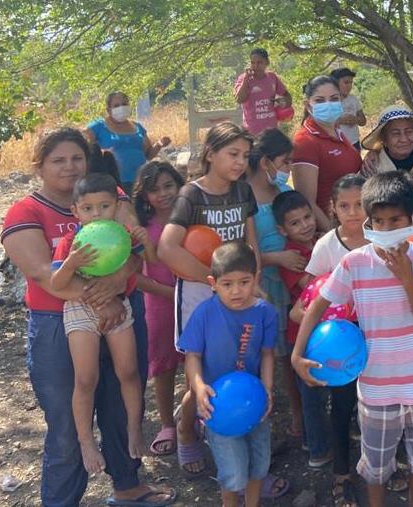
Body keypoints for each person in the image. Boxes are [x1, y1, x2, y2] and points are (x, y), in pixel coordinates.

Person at [2, 127, 175, 506]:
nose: (69, 167)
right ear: (39, 166)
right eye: (58, 160)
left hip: (121, 315)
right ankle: (62, 501)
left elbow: (132, 247)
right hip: (57, 325)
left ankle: (128, 486)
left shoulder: (108, 196)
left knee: (121, 400)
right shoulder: (25, 212)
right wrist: (105, 299)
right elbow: (44, 275)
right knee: (66, 424)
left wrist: (118, 282)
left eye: (76, 158)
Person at [292, 172, 413, 507]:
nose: (387, 228)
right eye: (378, 221)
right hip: (376, 389)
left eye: (395, 220)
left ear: (412, 219)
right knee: (376, 467)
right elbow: (317, 302)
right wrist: (296, 353)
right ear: (368, 223)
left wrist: (407, 277)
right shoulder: (355, 263)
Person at [157, 123, 268, 488]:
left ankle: (243, 445)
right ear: (210, 154)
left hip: (238, 291)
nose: (240, 162)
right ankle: (187, 430)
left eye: (245, 156)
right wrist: (213, 280)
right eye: (232, 154)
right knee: (201, 374)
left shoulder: (243, 191)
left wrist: (255, 283)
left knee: (240, 364)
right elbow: (167, 248)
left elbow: (252, 246)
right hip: (202, 295)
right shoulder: (191, 195)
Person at [48, 173, 149, 474]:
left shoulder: (122, 235)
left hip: (121, 309)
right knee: (85, 379)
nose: (96, 214)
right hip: (79, 310)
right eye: (88, 208)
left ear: (116, 207)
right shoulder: (71, 243)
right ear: (75, 211)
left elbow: (141, 261)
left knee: (129, 372)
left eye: (104, 206)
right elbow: (56, 282)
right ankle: (85, 440)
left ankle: (134, 428)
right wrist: (72, 263)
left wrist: (143, 240)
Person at [180, 242, 277, 507]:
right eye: (227, 284)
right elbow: (193, 356)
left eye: (244, 282)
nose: (237, 291)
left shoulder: (265, 312)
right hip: (217, 406)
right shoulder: (204, 313)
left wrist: (267, 388)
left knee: (259, 464)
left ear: (256, 278)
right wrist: (199, 387)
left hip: (255, 402)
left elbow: (268, 353)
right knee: (232, 473)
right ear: (213, 283)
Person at [292, 175, 367, 503]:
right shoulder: (327, 246)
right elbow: (301, 307)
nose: (353, 212)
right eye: (345, 206)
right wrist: (331, 319)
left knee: (378, 407)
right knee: (342, 406)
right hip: (342, 345)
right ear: (332, 209)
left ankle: (382, 465)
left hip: (379, 335)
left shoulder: (383, 239)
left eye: (360, 204)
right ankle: (342, 473)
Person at [246, 128, 309, 446]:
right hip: (261, 282)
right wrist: (276, 258)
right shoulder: (242, 196)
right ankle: (259, 415)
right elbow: (243, 249)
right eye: (285, 161)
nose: (288, 167)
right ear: (266, 161)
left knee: (286, 353)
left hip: (289, 285)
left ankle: (297, 412)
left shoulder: (280, 191)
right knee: (262, 350)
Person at [133, 161, 186, 457]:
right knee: (163, 366)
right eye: (154, 190)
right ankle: (167, 423)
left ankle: (192, 419)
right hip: (159, 305)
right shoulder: (141, 227)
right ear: (144, 196)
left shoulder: (190, 217)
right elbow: (137, 275)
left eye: (169, 186)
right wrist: (171, 293)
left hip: (194, 300)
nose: (163, 194)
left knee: (196, 361)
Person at [291, 75, 363, 231]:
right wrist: (334, 237)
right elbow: (307, 201)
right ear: (308, 105)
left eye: (334, 98)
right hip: (333, 229)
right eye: (320, 100)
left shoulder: (337, 133)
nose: (328, 104)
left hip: (353, 223)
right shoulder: (305, 142)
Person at [84, 91, 171, 193]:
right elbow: (82, 143)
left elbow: (148, 155)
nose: (121, 107)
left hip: (140, 181)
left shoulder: (137, 127)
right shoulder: (99, 126)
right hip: (113, 182)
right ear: (108, 110)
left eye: (124, 104)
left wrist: (159, 144)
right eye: (116, 105)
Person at [360, 106, 413, 177]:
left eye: (409, 132)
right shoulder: (372, 167)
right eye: (396, 133)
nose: (404, 139)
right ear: (384, 139)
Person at [234, 48, 292, 135]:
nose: (256, 66)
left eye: (260, 62)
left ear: (267, 62)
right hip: (252, 132)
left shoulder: (272, 77)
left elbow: (287, 96)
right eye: (253, 62)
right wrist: (246, 80)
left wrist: (283, 102)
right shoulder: (244, 78)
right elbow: (239, 99)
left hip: (272, 131)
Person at [331, 67, 367, 151]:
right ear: (335, 83)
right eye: (346, 82)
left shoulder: (353, 100)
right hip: (336, 144)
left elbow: (363, 121)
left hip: (354, 143)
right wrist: (342, 120)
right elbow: (323, 124)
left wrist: (355, 119)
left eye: (351, 83)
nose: (349, 86)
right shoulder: (329, 103)